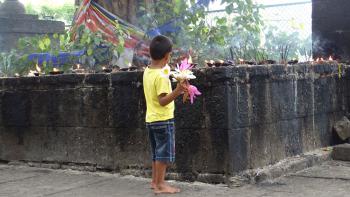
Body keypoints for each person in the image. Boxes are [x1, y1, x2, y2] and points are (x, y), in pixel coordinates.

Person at [143, 35, 185, 194]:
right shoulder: (161, 76)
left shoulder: (149, 70)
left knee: (156, 153)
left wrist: (174, 75)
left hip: (151, 119)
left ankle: (155, 182)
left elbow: (162, 73)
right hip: (163, 120)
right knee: (163, 155)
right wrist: (178, 90)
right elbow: (162, 100)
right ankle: (161, 185)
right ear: (167, 55)